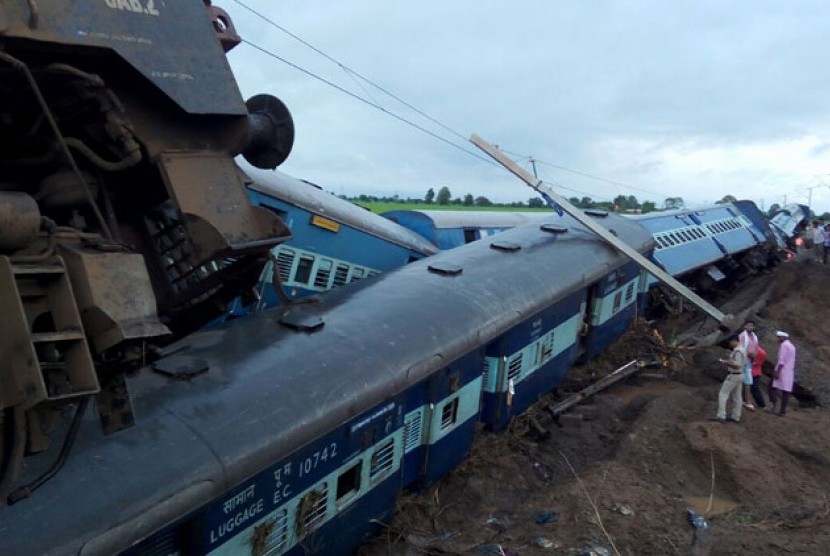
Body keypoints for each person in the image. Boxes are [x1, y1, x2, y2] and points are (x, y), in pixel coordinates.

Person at [713, 336, 747, 423]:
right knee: (737, 396)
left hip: (734, 375)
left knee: (723, 393)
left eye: (731, 342)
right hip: (740, 375)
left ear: (735, 341)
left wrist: (726, 362)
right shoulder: (742, 349)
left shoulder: (738, 351)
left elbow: (737, 365)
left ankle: (721, 415)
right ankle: (736, 416)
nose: (730, 344)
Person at [769, 331, 796, 416]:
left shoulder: (784, 345)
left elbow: (782, 360)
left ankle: (774, 405)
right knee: (786, 391)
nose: (778, 339)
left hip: (782, 370)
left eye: (779, 337)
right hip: (789, 371)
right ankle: (782, 410)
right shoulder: (792, 346)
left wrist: (777, 371)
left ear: (784, 337)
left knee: (771, 387)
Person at [738, 320, 759, 411]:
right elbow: (740, 348)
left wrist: (754, 355)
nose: (750, 327)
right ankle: (742, 399)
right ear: (745, 326)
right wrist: (749, 353)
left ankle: (747, 400)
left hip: (750, 361)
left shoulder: (755, 337)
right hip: (742, 360)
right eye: (749, 325)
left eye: (752, 326)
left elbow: (756, 348)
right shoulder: (742, 336)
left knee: (748, 381)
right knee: (740, 380)